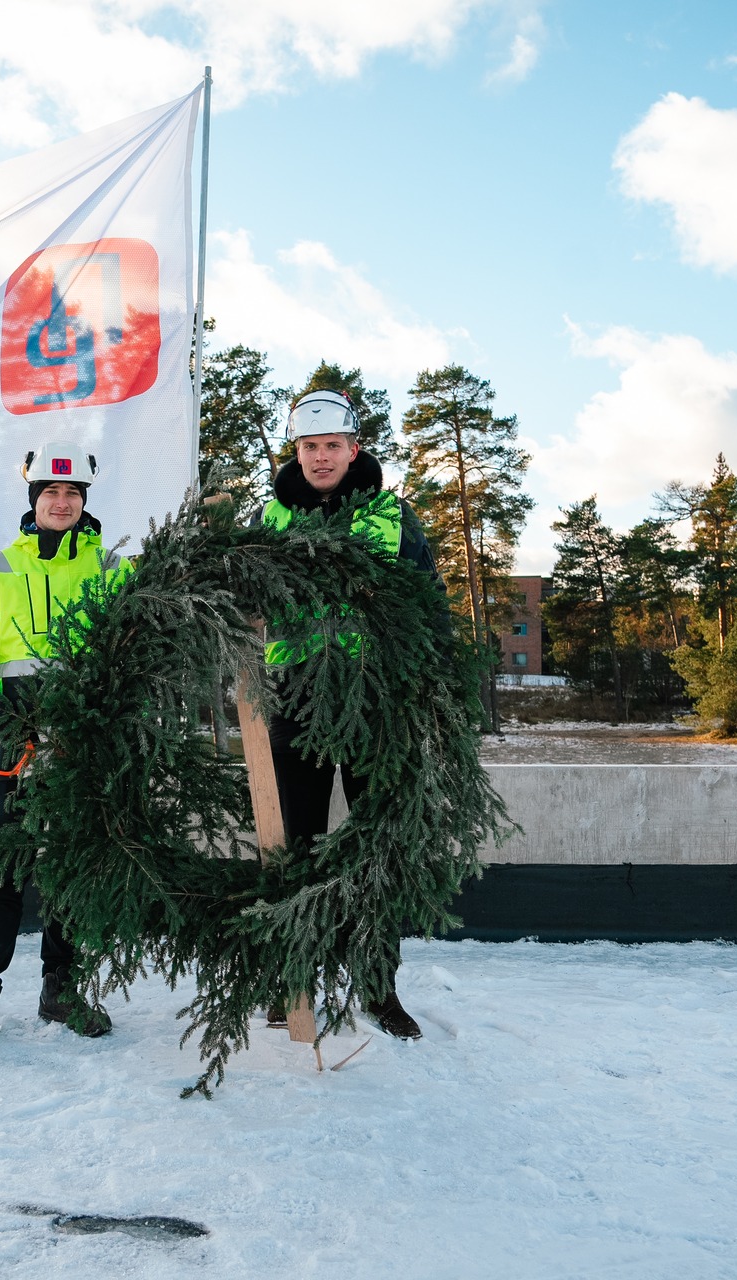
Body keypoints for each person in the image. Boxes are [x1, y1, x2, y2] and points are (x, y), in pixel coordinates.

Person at [257, 390, 445, 1040]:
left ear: (353, 449)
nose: (320, 458)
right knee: (297, 850)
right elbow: (246, 595)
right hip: (297, 700)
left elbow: (429, 603)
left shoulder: (392, 516)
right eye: (309, 447)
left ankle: (378, 986)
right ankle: (293, 985)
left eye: (332, 446)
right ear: (297, 452)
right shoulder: (273, 517)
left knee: (375, 848)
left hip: (375, 702)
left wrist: (425, 684)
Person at [0, 442, 124, 1055]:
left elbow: (135, 655)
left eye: (71, 494)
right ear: (33, 499)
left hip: (80, 755)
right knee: (2, 877)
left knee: (69, 872)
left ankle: (61, 990)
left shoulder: (111, 571)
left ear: (84, 501)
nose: (61, 503)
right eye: (50, 493)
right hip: (10, 754)